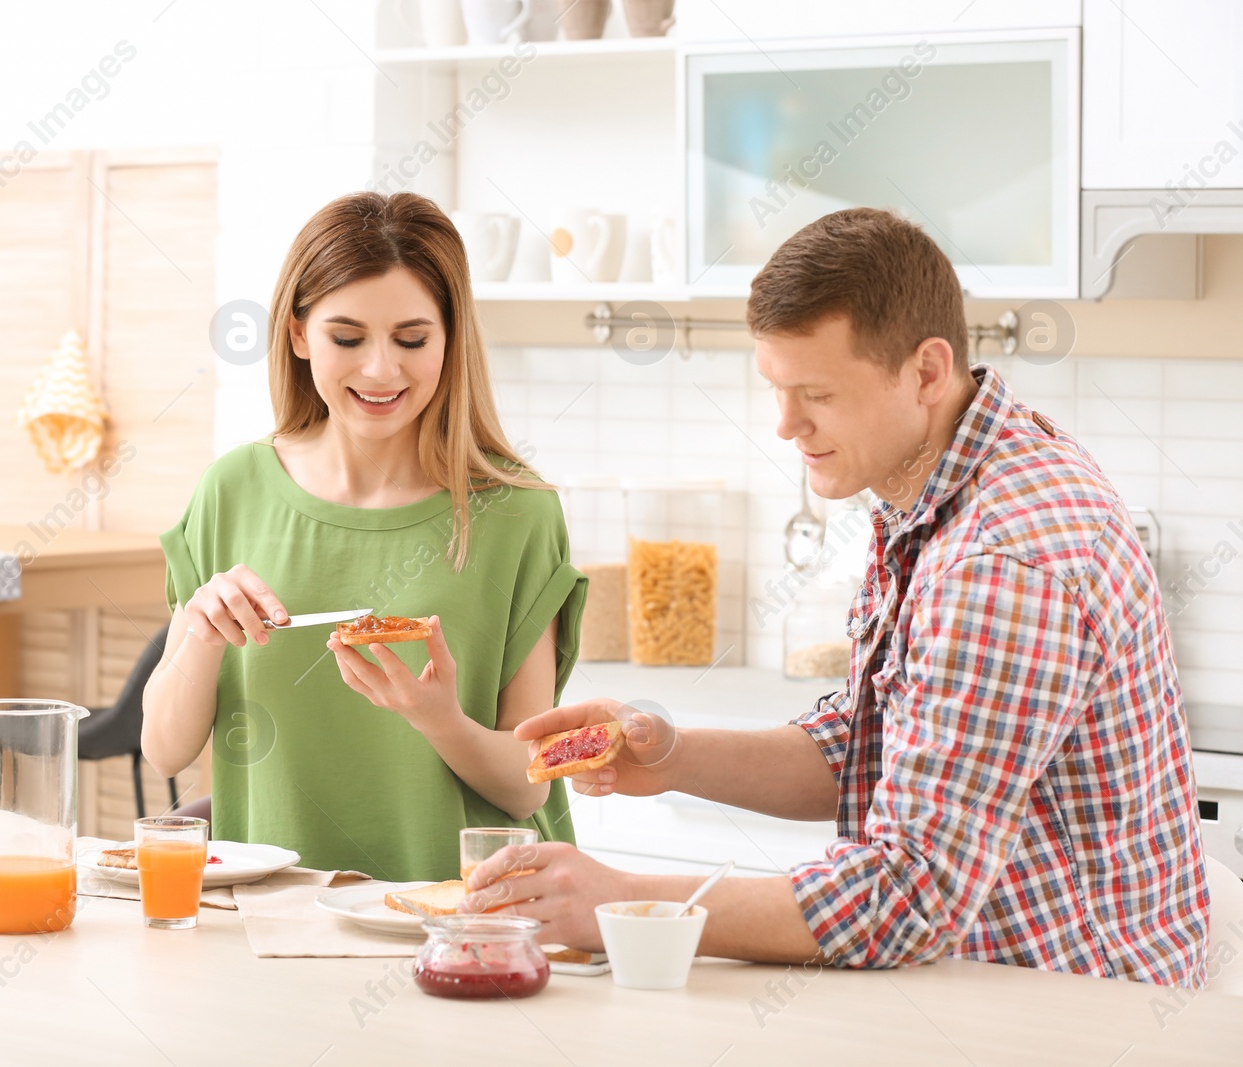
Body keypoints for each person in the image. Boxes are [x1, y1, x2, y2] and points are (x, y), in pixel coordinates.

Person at [460, 207, 1210, 989]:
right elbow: (880, 740)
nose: (785, 426)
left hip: (1071, 1012)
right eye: (777, 389)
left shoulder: (1002, 559)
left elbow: (906, 894)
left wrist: (623, 900)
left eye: (815, 392)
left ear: (925, 370)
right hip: (987, 986)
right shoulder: (945, 478)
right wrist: (669, 753)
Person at [141, 191, 587, 881]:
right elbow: (163, 750)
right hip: (271, 925)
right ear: (297, 334)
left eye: (412, 339)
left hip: (467, 929)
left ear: (450, 336)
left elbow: (528, 783)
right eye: (347, 338)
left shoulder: (518, 514)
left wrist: (440, 718)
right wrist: (200, 632)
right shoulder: (231, 491)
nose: (381, 369)